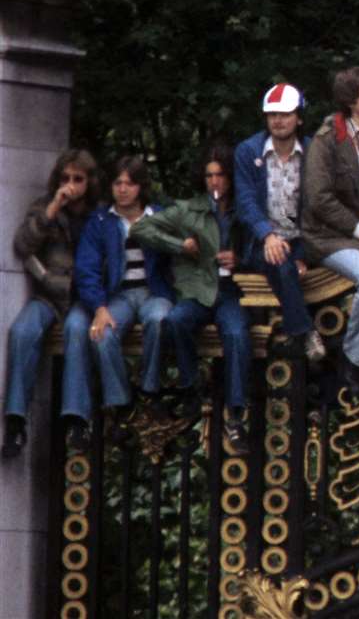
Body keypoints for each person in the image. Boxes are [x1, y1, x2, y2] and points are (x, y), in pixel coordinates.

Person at [132, 148, 253, 450]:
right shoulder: (188, 209)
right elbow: (141, 228)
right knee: (175, 320)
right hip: (197, 291)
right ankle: (190, 385)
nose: (215, 181)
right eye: (209, 175)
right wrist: (179, 245)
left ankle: (236, 413)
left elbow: (261, 248)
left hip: (230, 292)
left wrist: (241, 259)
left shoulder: (245, 209)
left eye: (220, 175)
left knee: (238, 334)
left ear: (230, 178)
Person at [302, 67, 359, 396]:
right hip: (325, 238)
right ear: (350, 101)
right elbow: (318, 199)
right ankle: (354, 362)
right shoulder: (327, 139)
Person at [3, 150, 98, 457]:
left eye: (77, 179)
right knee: (22, 331)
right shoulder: (46, 207)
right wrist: (52, 210)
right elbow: (22, 244)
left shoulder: (98, 214)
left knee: (76, 331)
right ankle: (15, 420)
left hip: (82, 299)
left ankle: (76, 419)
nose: (70, 185)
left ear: (89, 181)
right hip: (49, 294)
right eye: (65, 178)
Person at [67, 155, 174, 423]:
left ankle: (150, 390)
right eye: (117, 183)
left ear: (141, 187)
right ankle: (120, 402)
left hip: (154, 292)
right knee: (101, 333)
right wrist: (100, 308)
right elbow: (86, 269)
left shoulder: (160, 217)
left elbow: (179, 259)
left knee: (159, 320)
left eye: (129, 183)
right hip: (119, 295)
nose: (123, 189)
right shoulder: (101, 221)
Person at [234, 83, 322, 361]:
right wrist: (267, 235)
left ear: (299, 117)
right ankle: (306, 333)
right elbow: (245, 202)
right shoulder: (249, 151)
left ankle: (301, 339)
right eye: (272, 114)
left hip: (302, 239)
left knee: (290, 265)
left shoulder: (313, 152)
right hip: (263, 241)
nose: (278, 120)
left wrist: (304, 253)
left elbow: (320, 205)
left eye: (285, 113)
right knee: (282, 266)